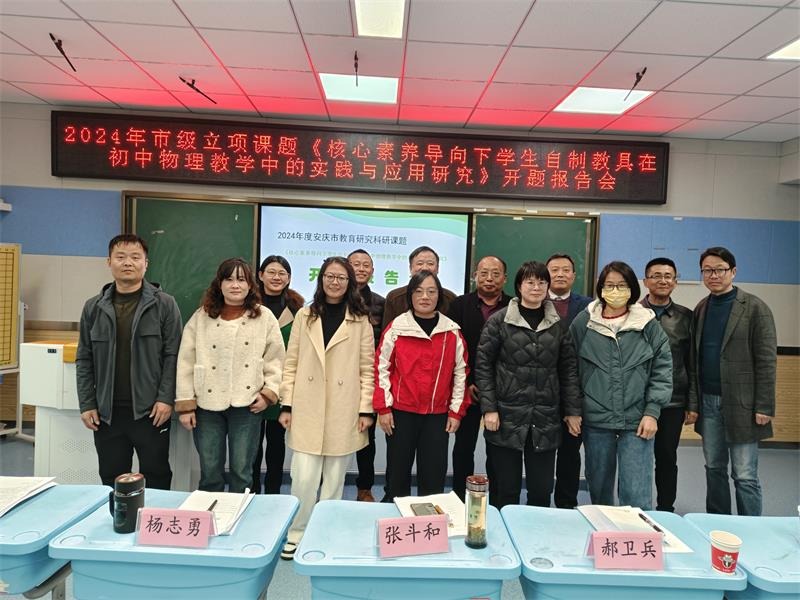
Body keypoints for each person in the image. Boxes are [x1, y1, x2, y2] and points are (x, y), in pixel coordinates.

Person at [279, 257, 375, 559]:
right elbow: (291, 363)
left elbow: (367, 369)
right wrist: (286, 404)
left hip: (343, 407)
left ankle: (325, 532)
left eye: (341, 278)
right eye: (329, 276)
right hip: (306, 405)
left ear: (350, 283)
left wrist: (365, 410)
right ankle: (297, 532)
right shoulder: (305, 315)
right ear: (321, 279)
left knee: (334, 480)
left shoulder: (360, 319)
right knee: (303, 478)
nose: (335, 282)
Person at [76, 234, 182, 489]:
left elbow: (173, 355)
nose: (128, 263)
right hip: (107, 413)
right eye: (120, 257)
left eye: (135, 257)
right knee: (111, 477)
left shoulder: (164, 304)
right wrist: (87, 403)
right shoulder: (93, 307)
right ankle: (118, 516)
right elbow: (84, 358)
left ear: (146, 263)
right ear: (109, 262)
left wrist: (166, 398)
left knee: (157, 476)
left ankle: (152, 517)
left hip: (150, 411)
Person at [475, 261, 582, 509]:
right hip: (506, 416)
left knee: (541, 490)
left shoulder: (558, 324)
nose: (536, 288)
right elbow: (483, 366)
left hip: (545, 417)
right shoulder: (499, 321)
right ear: (519, 285)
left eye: (542, 282)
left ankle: (536, 534)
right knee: (506, 490)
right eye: (530, 282)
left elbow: (568, 370)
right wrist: (489, 409)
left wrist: (573, 411)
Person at [175, 258, 285, 493]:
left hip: (247, 405)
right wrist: (185, 405)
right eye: (229, 279)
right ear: (219, 283)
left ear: (250, 285)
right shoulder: (202, 316)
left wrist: (268, 394)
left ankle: (238, 515)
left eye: (241, 279)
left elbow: (276, 360)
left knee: (242, 472)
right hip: (206, 404)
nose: (235, 285)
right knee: (210, 471)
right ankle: (209, 515)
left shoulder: (264, 316)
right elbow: (185, 361)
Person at [569, 261, 672, 510]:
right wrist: (573, 409)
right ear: (600, 289)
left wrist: (652, 412)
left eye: (622, 285)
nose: (615, 291)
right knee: (599, 491)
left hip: (637, 421)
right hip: (596, 421)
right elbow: (569, 368)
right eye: (609, 285)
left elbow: (662, 370)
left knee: (636, 494)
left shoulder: (647, 323)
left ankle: (635, 533)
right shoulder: (584, 322)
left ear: (632, 289)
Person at [686, 247, 776, 516]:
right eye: (707, 270)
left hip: (743, 404)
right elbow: (694, 361)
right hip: (709, 402)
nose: (713, 275)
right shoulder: (701, 308)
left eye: (719, 270)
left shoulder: (755, 308)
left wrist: (764, 406)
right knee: (714, 467)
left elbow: (767, 361)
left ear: (733, 272)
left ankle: (751, 526)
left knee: (745, 474)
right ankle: (718, 522)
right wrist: (694, 403)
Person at [374, 270, 469, 501]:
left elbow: (461, 373)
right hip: (401, 413)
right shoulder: (397, 328)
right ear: (410, 295)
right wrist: (383, 409)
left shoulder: (451, 331)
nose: (425, 297)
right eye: (418, 291)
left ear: (439, 296)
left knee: (433, 479)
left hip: (437, 416)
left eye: (431, 291)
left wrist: (456, 411)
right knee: (397, 477)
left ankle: (429, 521)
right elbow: (381, 368)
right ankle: (397, 518)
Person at [447, 255, 512, 501]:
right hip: (468, 389)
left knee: (497, 450)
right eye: (484, 273)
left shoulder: (514, 306)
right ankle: (459, 498)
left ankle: (497, 501)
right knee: (463, 448)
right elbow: (454, 350)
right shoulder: (459, 305)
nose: (489, 278)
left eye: (496, 273)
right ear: (475, 276)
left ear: (505, 278)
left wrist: (494, 387)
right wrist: (467, 384)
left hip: (503, 391)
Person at [640, 257, 693, 512]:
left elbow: (693, 363)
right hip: (636, 400)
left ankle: (665, 510)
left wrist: (692, 403)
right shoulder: (632, 312)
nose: (663, 280)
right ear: (645, 281)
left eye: (668, 276)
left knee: (666, 457)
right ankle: (633, 507)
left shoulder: (687, 317)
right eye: (656, 275)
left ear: (675, 281)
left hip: (673, 401)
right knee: (634, 458)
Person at [250, 255, 304, 494]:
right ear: (260, 275)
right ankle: (251, 491)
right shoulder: (248, 305)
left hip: (282, 383)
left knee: (276, 443)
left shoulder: (298, 309)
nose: (276, 277)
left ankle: (273, 492)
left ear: (289, 278)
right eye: (271, 272)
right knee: (251, 444)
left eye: (282, 273)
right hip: (250, 383)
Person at [547, 253, 592, 509]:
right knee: (540, 453)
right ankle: (538, 504)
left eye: (566, 270)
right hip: (541, 391)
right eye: (554, 270)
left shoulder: (589, 307)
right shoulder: (533, 301)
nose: (560, 274)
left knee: (570, 452)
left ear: (574, 275)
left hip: (576, 389)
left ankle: (566, 504)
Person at [348, 249, 385, 502]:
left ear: (372, 271)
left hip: (367, 379)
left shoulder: (382, 303)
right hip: (335, 379)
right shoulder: (333, 299)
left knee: (366, 436)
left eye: (366, 265)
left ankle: (365, 488)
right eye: (355, 264)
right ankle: (328, 486)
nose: (361, 269)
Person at [381, 246, 457, 328]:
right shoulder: (394, 298)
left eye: (430, 264)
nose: (425, 268)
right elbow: (387, 331)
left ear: (437, 268)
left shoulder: (450, 298)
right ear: (411, 268)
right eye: (420, 263)